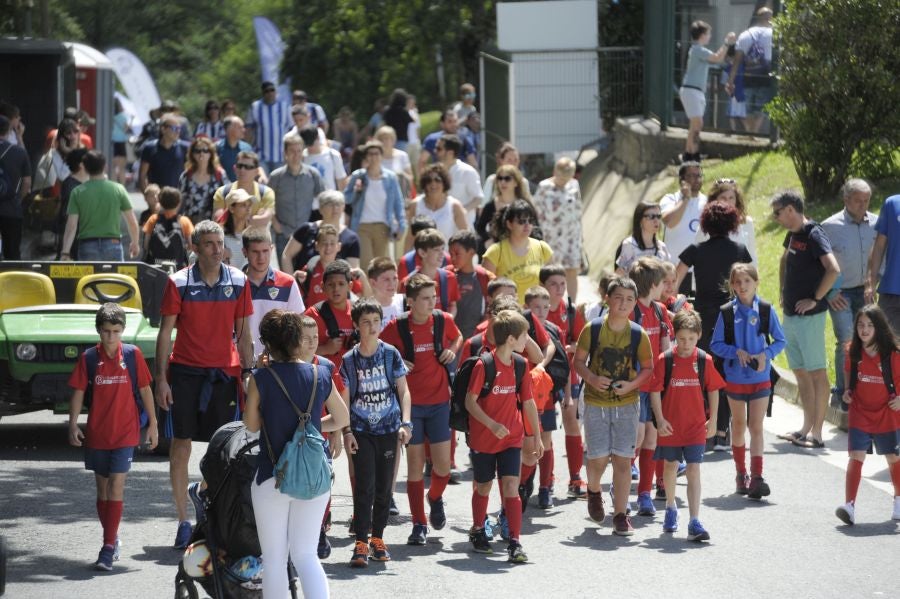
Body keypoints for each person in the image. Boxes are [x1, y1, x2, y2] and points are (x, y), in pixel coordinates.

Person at [155, 219, 254, 549]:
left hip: (225, 375)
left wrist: (248, 374)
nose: (216, 249)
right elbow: (165, 333)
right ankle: (183, 520)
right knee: (180, 446)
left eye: (220, 243)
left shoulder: (238, 280)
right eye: (209, 243)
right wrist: (161, 380)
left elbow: (243, 334)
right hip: (185, 374)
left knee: (225, 451)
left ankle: (212, 513)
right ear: (194, 248)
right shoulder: (179, 282)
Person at [243, 310, 349, 597]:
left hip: (272, 475)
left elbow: (251, 426)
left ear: (268, 344)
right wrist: (311, 425)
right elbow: (341, 418)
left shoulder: (260, 378)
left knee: (275, 560)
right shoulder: (320, 372)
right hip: (313, 474)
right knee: (306, 556)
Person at [66, 303, 156, 571]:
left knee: (116, 486)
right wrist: (72, 424)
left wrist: (153, 424)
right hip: (98, 434)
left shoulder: (132, 355)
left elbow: (145, 389)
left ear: (123, 331)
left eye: (116, 331)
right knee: (102, 490)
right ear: (99, 331)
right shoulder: (89, 359)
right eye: (106, 331)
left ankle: (106, 547)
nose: (111, 337)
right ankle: (112, 537)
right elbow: (79, 392)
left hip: (126, 433)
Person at [380, 274, 462, 545]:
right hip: (411, 407)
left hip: (439, 403)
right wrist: (398, 360)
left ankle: (435, 497)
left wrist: (451, 349)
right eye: (425, 299)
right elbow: (380, 351)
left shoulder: (442, 320)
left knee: (442, 468)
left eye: (433, 298)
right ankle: (418, 524)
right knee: (415, 466)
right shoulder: (396, 326)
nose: (431, 303)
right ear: (411, 302)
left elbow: (458, 336)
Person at [573, 277, 654, 536]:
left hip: (627, 405)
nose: (624, 303)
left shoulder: (638, 334)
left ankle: (620, 514)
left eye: (630, 299)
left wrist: (631, 386)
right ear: (608, 299)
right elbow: (579, 362)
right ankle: (594, 489)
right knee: (597, 459)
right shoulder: (593, 329)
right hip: (596, 403)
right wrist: (593, 379)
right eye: (618, 297)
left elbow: (649, 368)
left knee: (623, 460)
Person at [466, 309, 543, 563]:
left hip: (512, 438)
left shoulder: (520, 365)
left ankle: (515, 541)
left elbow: (529, 403)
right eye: (525, 336)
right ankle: (478, 529)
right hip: (484, 438)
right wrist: (491, 424)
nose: (527, 340)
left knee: (511, 486)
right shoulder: (484, 364)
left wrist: (537, 436)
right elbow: (470, 402)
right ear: (511, 339)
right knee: (485, 485)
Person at [340, 298, 412, 567]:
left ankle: (377, 539)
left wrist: (406, 423)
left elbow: (403, 391)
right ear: (356, 326)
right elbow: (344, 399)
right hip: (361, 431)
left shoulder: (390, 353)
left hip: (388, 429)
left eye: (376, 321)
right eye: (366, 322)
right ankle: (360, 542)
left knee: (384, 489)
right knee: (365, 487)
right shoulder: (349, 360)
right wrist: (346, 431)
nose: (372, 327)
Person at [675, 202, 752, 449]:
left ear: (706, 223)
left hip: (701, 315)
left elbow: (677, 278)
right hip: (729, 314)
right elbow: (747, 280)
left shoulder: (695, 249)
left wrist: (675, 303)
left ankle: (702, 426)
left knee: (701, 370)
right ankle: (721, 430)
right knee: (724, 371)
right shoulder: (739, 249)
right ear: (731, 223)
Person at [772, 191, 841, 449]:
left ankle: (818, 434)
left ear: (791, 209)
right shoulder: (793, 234)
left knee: (816, 373)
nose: (775, 218)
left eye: (777, 212)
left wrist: (815, 298)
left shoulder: (814, 233)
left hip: (810, 317)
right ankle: (805, 428)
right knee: (800, 373)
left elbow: (833, 269)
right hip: (790, 315)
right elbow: (784, 259)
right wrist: (782, 290)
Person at [710, 263, 786, 498]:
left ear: (756, 283)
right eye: (738, 282)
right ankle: (741, 474)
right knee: (739, 425)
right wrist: (735, 352)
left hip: (760, 378)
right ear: (732, 285)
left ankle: (757, 477)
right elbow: (715, 344)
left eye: (747, 281)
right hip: (735, 378)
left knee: (756, 426)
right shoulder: (726, 312)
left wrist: (767, 355)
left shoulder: (765, 309)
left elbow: (780, 341)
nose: (742, 286)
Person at [649, 310, 725, 541]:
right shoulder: (665, 360)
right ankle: (671, 507)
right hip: (670, 426)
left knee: (693, 470)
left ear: (699, 336)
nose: (686, 344)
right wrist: (660, 420)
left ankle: (694, 520)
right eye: (681, 339)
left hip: (695, 427)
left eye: (691, 339)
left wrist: (712, 420)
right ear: (675, 336)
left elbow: (713, 389)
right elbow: (654, 391)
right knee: (670, 466)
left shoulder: (704, 360)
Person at [834, 305, 900, 525]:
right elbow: (848, 378)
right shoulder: (852, 350)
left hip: (887, 412)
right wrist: (847, 392)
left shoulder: (893, 354)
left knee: (893, 458)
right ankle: (849, 505)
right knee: (856, 456)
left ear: (879, 327)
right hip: (860, 412)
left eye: (870, 325)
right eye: (860, 324)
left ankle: (898, 501)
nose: (864, 329)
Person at [821, 179, 878, 409]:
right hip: (840, 293)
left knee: (868, 339)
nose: (862, 205)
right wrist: (830, 292)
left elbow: (880, 255)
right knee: (846, 340)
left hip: (866, 291)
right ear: (846, 200)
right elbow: (818, 263)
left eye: (866, 201)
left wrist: (874, 282)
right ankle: (842, 394)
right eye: (857, 201)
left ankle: (862, 389)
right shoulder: (829, 226)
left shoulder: (876, 223)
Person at [629, 257, 674, 513]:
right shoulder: (632, 311)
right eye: (663, 282)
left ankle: (644, 494)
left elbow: (666, 347)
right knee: (636, 438)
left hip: (655, 387)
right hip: (635, 387)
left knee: (651, 440)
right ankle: (622, 483)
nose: (666, 286)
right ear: (653, 284)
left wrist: (670, 378)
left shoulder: (659, 310)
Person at [538, 264, 587, 497]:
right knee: (544, 429)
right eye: (553, 284)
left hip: (568, 374)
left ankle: (575, 476)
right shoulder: (536, 311)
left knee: (571, 421)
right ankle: (546, 480)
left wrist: (564, 347)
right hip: (543, 377)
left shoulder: (571, 310)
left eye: (562, 284)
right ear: (542, 287)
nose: (558, 289)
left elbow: (580, 344)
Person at [61, 150, 140, 262]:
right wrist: (135, 243)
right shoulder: (118, 189)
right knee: (114, 279)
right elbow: (132, 222)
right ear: (105, 167)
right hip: (113, 244)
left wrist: (65, 251)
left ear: (85, 168)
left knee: (89, 280)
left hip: (87, 245)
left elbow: (71, 226)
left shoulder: (77, 192)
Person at [242, 227, 305, 360]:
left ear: (272, 249)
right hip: (242, 363)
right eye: (255, 252)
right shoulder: (234, 284)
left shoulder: (288, 283)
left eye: (265, 251)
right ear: (245, 252)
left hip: (278, 364)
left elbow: (298, 327)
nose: (261, 257)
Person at [678, 21, 735, 162]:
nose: (710, 36)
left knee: (694, 125)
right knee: (698, 124)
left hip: (694, 91)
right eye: (708, 33)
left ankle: (689, 154)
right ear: (702, 35)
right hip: (692, 91)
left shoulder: (698, 50)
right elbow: (717, 58)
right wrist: (727, 43)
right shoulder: (698, 49)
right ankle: (694, 156)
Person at [344, 140, 406, 268]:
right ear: (366, 157)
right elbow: (347, 199)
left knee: (381, 265)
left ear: (381, 156)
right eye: (370, 154)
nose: (373, 157)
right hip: (362, 226)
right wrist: (356, 191)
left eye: (377, 153)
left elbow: (398, 202)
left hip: (383, 226)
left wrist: (402, 224)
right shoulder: (358, 176)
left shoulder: (390, 178)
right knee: (366, 263)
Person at [483, 200, 553, 306]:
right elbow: (485, 291)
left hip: (537, 313)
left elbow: (553, 284)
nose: (527, 225)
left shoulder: (543, 248)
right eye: (521, 221)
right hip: (507, 315)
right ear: (509, 224)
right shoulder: (495, 253)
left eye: (530, 221)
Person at [532, 158, 583, 298]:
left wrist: (581, 240)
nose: (563, 180)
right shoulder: (544, 186)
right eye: (561, 176)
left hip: (571, 237)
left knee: (572, 271)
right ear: (555, 171)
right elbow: (535, 210)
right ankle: (545, 301)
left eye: (567, 177)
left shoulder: (574, 185)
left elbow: (579, 211)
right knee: (548, 272)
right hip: (550, 236)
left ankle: (572, 306)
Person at [268, 132, 324, 257]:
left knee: (305, 273)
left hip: (307, 234)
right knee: (286, 275)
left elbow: (323, 200)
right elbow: (267, 203)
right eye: (292, 151)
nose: (296, 155)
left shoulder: (313, 174)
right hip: (284, 233)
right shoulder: (276, 177)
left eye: (299, 151)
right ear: (285, 153)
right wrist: (275, 224)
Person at [282, 190, 361, 272]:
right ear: (320, 209)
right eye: (330, 204)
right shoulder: (306, 229)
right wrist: (292, 281)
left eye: (338, 204)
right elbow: (287, 255)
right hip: (304, 282)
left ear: (343, 207)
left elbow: (353, 270)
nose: (335, 208)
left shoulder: (351, 238)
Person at [660, 161, 706, 295]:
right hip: (673, 271)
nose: (696, 179)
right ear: (682, 180)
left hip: (699, 271)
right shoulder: (671, 199)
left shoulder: (708, 202)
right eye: (691, 175)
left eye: (699, 175)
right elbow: (669, 222)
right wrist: (685, 199)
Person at [726, 7, 775, 134]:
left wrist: (730, 81)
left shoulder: (745, 34)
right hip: (766, 76)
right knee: (761, 109)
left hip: (748, 76)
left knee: (748, 108)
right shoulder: (774, 33)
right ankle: (754, 132)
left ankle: (750, 133)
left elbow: (736, 61)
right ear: (770, 18)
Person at [305, 260, 357, 371]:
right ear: (322, 287)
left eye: (341, 284)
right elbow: (298, 351)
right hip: (324, 378)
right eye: (331, 284)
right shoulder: (313, 314)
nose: (336, 289)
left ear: (350, 286)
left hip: (354, 377)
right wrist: (325, 349)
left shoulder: (358, 311)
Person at [295, 225, 365, 305]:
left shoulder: (346, 271)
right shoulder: (309, 269)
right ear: (317, 246)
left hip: (339, 317)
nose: (328, 247)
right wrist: (295, 280)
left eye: (332, 244)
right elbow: (295, 298)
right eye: (324, 243)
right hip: (313, 316)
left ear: (339, 246)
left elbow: (364, 299)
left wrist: (363, 277)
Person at [476, 165, 535, 255]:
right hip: (497, 252)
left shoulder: (525, 205)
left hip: (521, 251)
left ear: (516, 182)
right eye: (500, 178)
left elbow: (536, 228)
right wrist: (488, 239)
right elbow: (480, 227)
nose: (503, 182)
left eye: (507, 179)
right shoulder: (491, 205)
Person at [448, 230, 495, 340]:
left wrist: (481, 329)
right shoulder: (447, 275)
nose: (453, 258)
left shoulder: (485, 277)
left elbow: (492, 306)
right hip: (451, 339)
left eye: (457, 254)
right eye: (450, 254)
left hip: (476, 337)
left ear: (471, 252)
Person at [696, 179, 757, 263]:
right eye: (723, 198)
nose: (727, 202)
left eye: (731, 198)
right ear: (714, 200)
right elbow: (698, 257)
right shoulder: (706, 226)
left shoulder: (747, 222)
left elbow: (752, 256)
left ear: (737, 200)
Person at [407, 164, 468, 246]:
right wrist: (404, 257)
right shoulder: (416, 205)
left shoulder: (454, 206)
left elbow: (465, 237)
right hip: (421, 255)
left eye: (437, 180)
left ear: (444, 183)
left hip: (446, 256)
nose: (433, 184)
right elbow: (410, 235)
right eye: (429, 181)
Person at [211, 151, 275, 228]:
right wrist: (253, 218)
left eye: (248, 167)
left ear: (256, 171)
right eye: (240, 166)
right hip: (229, 238)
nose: (242, 170)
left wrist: (233, 216)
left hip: (255, 239)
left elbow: (265, 220)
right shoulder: (222, 192)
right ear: (235, 168)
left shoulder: (266, 192)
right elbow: (218, 220)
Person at [866, 194, 900, 335]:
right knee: (886, 345)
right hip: (890, 290)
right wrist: (871, 281)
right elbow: (879, 246)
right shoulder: (892, 203)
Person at [0, 115, 32, 260]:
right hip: (12, 209)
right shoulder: (20, 152)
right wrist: (19, 199)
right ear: (8, 131)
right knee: (12, 253)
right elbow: (27, 182)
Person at [434, 134, 482, 227]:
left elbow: (478, 198)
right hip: (439, 228)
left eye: (439, 149)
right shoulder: (435, 171)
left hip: (461, 229)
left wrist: (461, 211)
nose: (435, 151)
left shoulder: (467, 172)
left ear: (450, 153)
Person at [179, 136, 228, 225]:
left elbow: (228, 198)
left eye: (205, 150)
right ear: (192, 154)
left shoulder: (220, 174)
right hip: (190, 224)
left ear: (211, 153)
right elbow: (179, 201)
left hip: (213, 225)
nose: (201, 153)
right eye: (197, 151)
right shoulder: (186, 176)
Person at [246, 82, 293, 173]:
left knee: (277, 185)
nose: (270, 93)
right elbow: (249, 129)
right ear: (263, 93)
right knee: (262, 184)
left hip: (280, 156)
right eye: (267, 91)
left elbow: (291, 129)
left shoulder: (285, 106)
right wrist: (249, 149)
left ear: (276, 92)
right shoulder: (255, 107)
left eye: (272, 90)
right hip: (261, 156)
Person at [142, 186, 193, 270]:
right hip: (177, 268)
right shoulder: (184, 221)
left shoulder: (153, 219)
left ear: (160, 201)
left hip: (156, 267)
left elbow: (146, 245)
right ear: (179, 203)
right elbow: (191, 246)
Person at [616, 201, 671, 276]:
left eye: (658, 216)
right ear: (640, 220)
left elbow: (669, 274)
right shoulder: (629, 244)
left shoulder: (662, 247)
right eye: (651, 216)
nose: (656, 220)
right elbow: (619, 276)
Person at [140, 113, 190, 190]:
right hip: (157, 197)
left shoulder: (185, 148)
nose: (177, 132)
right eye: (174, 128)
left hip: (178, 197)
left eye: (179, 128)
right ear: (163, 129)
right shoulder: (149, 148)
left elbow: (190, 173)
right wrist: (148, 195)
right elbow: (142, 175)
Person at [418, 109, 478, 173]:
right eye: (450, 122)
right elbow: (422, 161)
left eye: (455, 121)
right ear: (442, 124)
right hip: (439, 178)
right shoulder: (432, 139)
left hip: (459, 177)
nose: (453, 124)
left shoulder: (464, 139)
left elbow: (473, 163)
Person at [300, 125, 347, 196]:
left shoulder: (333, 155)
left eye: (312, 143)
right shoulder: (301, 157)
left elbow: (341, 180)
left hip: (329, 201)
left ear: (318, 138)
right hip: (309, 203)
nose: (310, 148)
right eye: (307, 144)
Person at [367, 257, 406, 331]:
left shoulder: (404, 302)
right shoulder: (366, 309)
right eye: (386, 280)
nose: (392, 284)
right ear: (373, 283)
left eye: (395, 278)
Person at [221, 188, 256, 270]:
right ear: (231, 209)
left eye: (249, 205)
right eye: (243, 205)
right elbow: (195, 257)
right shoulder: (218, 235)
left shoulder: (254, 235)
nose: (248, 209)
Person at [375, 126, 414, 197]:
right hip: (380, 194)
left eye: (387, 138)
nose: (384, 141)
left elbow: (410, 178)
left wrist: (399, 175)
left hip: (400, 194)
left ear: (393, 140)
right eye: (381, 139)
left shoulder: (402, 155)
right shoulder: (374, 157)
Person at [215, 116, 254, 182]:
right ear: (228, 129)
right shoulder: (216, 147)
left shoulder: (247, 148)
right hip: (221, 188)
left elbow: (254, 167)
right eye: (240, 127)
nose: (243, 130)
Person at [111, 99, 131, 185]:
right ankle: (122, 187)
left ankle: (113, 186)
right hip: (121, 143)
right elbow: (126, 129)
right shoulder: (123, 116)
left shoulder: (109, 116)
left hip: (112, 143)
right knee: (122, 168)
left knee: (113, 167)